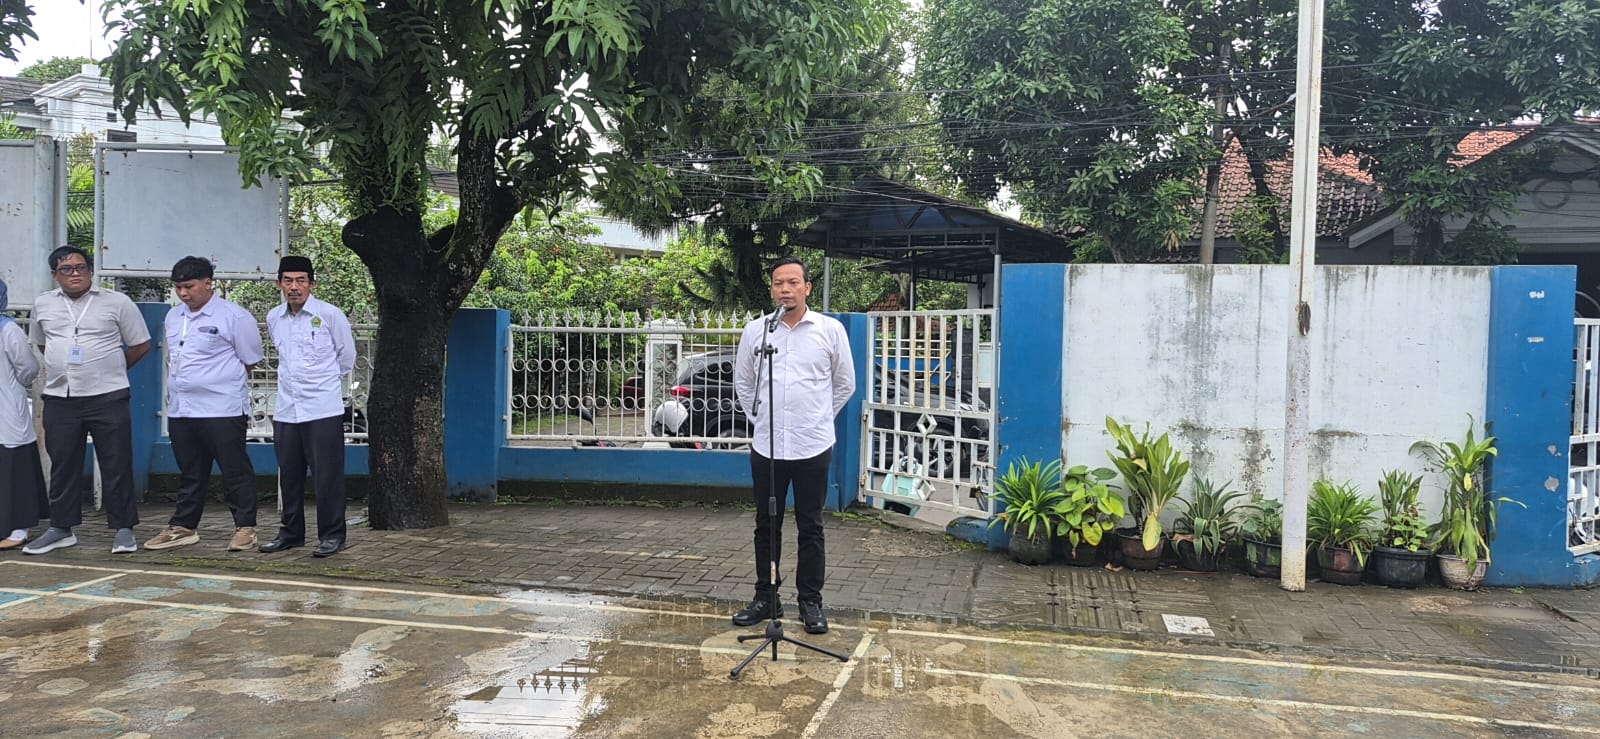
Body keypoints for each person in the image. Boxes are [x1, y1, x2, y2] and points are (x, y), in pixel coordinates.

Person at [731, 256, 855, 635]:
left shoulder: (829, 330)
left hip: (812, 445)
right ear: (772, 289)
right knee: (766, 523)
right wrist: (762, 420)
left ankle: (810, 601)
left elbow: (844, 384)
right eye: (778, 283)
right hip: (767, 446)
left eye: (792, 282)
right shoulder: (757, 332)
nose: (785, 289)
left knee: (810, 525)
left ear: (807, 288)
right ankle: (766, 596)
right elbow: (744, 383)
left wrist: (816, 418)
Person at [23, 246, 152, 555]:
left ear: (90, 270)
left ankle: (124, 529)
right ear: (55, 274)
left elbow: (140, 345)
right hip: (61, 396)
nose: (75, 274)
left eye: (81, 267)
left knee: (116, 463)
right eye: (66, 269)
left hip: (108, 395)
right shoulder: (42, 304)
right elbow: (42, 344)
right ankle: (61, 528)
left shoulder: (117, 302)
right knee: (63, 463)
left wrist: (110, 368)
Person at [143, 257, 266, 552]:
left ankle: (246, 527)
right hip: (183, 408)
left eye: (189, 286)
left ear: (208, 283)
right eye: (178, 288)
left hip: (222, 408)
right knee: (190, 470)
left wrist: (217, 380)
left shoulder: (234, 316)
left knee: (234, 469)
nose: (183, 293)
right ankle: (184, 526)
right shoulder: (174, 317)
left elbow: (250, 359)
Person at [259, 256, 355, 558]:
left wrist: (321, 383)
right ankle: (291, 533)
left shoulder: (329, 315)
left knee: (327, 476)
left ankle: (332, 535)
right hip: (287, 409)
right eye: (288, 280)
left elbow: (346, 358)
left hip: (322, 408)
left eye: (301, 280)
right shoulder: (274, 317)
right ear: (279, 284)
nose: (294, 287)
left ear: (312, 283)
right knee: (289, 476)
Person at [0, 279, 49, 551]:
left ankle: (19, 528)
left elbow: (28, 368)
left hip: (6, 406)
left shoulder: (8, 329)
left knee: (14, 465)